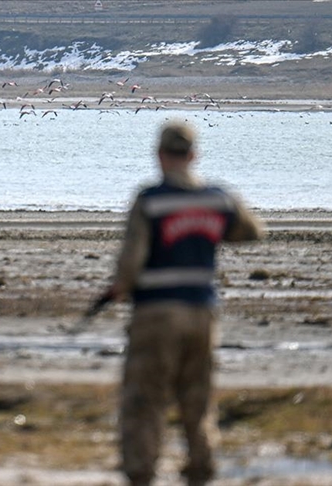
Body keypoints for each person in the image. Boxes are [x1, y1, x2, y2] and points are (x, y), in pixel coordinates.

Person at [102, 121, 264, 486]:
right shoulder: (218, 198)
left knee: (145, 399)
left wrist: (119, 288)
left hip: (157, 312)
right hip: (202, 311)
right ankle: (201, 467)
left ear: (159, 156)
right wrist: (207, 229)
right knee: (198, 397)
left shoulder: (151, 201)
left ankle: (142, 472)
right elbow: (251, 231)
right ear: (194, 155)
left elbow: (130, 263)